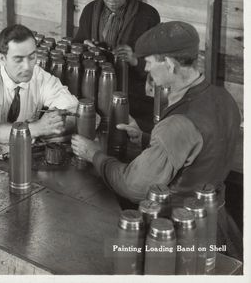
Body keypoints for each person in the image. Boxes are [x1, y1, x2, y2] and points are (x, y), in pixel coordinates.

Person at [71, 21, 242, 257]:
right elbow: (199, 151)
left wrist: (93, 154)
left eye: (150, 62)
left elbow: (132, 185)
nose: (147, 70)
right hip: (216, 220)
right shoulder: (224, 98)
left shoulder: (178, 124)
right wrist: (144, 138)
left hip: (177, 231)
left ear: (170, 64)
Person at [73, 0, 160, 131]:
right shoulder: (89, 11)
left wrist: (134, 59)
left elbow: (159, 68)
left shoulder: (148, 16)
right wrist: (84, 49)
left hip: (130, 101)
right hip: (92, 96)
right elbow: (75, 47)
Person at [0, 24, 82, 144]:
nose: (27, 67)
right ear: (2, 58)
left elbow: (76, 112)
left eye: (32, 57)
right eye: (18, 59)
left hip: (23, 145)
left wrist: (58, 122)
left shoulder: (41, 77)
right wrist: (37, 128)